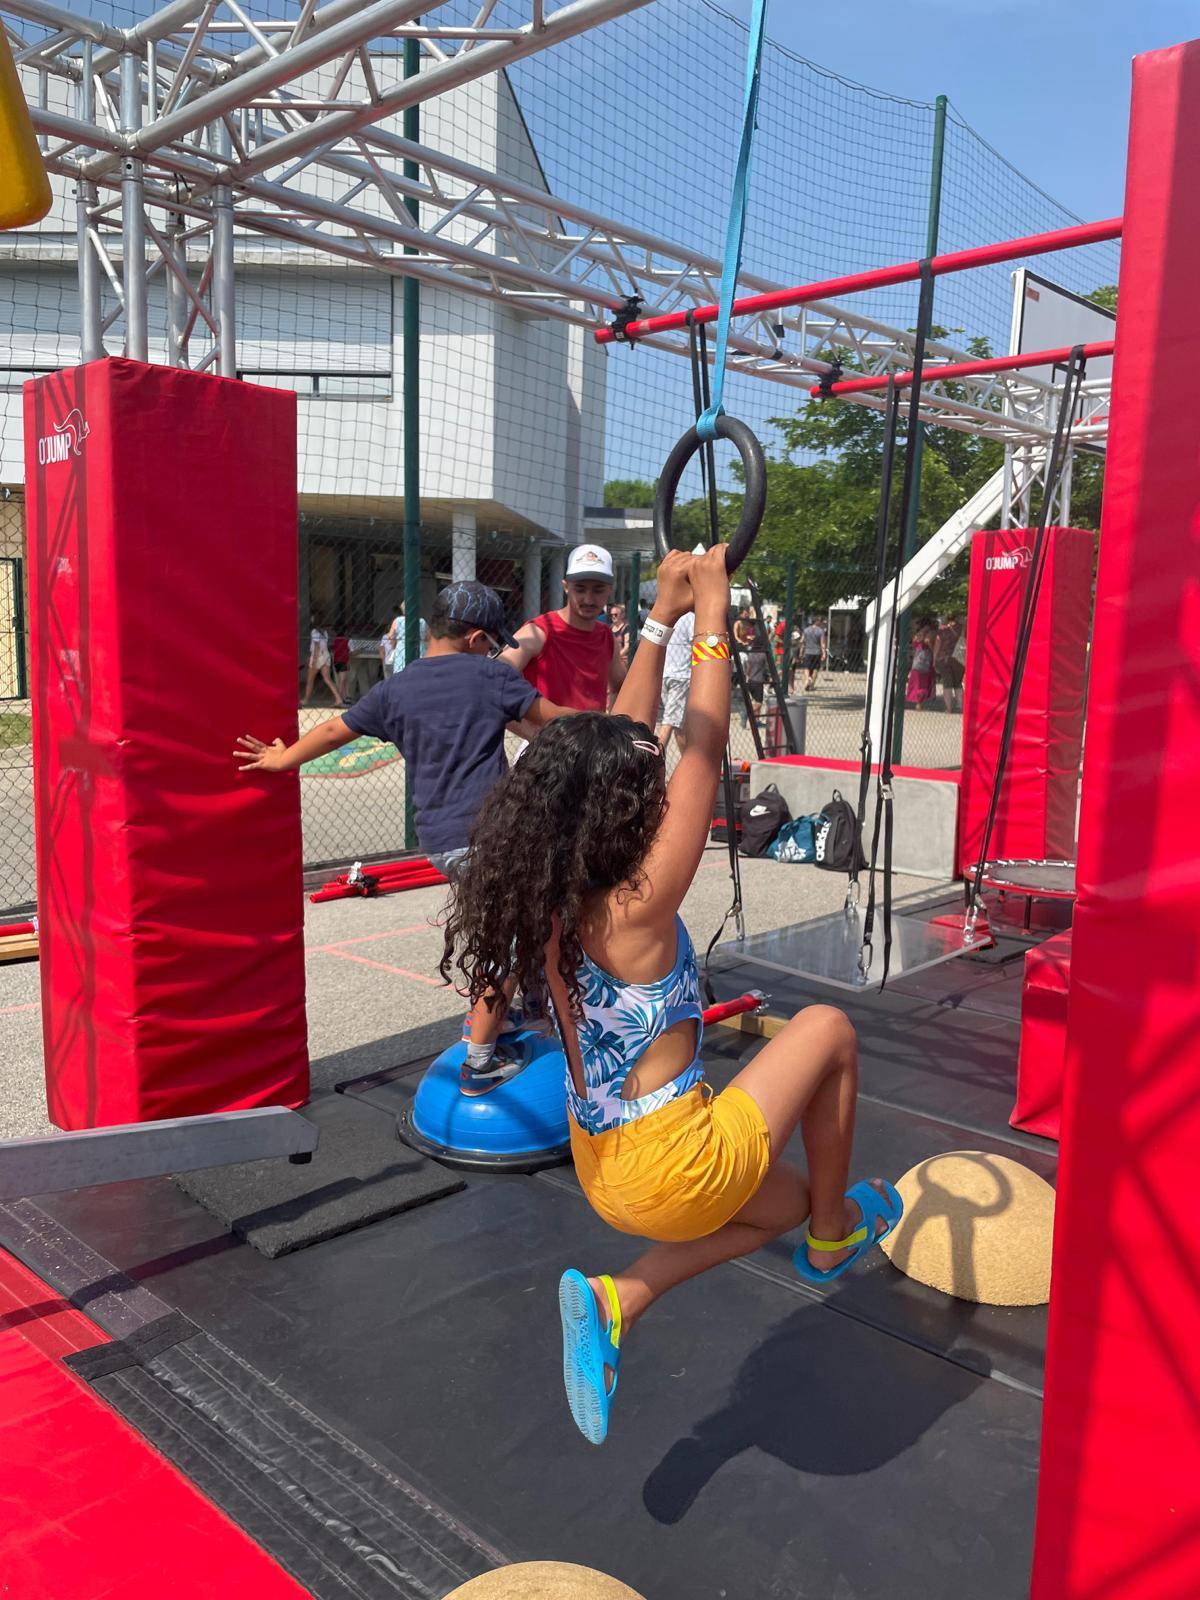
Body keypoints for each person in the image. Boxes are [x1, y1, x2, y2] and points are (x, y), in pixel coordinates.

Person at [441, 547, 902, 1446]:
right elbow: (701, 748)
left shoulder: (549, 896)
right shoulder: (640, 907)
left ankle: (621, 1301)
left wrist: (658, 616)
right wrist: (713, 619)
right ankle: (836, 1238)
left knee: (780, 1201)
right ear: (621, 814)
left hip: (604, 1168)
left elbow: (620, 743)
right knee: (828, 1027)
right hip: (670, 1168)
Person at [237, 581, 575, 1092]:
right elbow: (552, 721)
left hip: (441, 842)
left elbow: (334, 731)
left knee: (520, 917)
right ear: (477, 639)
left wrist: (283, 758)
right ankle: (480, 1062)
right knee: (507, 941)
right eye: (491, 644)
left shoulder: (398, 686)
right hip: (491, 837)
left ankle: (514, 1011)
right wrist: (614, 722)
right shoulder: (488, 677)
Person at [502, 544, 627, 721]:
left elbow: (621, 686)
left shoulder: (606, 636)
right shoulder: (539, 632)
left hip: (592, 743)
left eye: (598, 589)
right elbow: (492, 681)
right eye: (580, 589)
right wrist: (533, 733)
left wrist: (612, 727)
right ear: (566, 586)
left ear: (610, 590)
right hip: (547, 745)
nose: (589, 599)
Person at [654, 607, 694, 755]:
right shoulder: (690, 618)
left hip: (665, 674)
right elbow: (696, 644)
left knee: (679, 723)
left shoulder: (666, 613)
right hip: (680, 676)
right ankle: (652, 762)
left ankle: (686, 762)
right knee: (670, 721)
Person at [304, 621, 344, 708]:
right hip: (326, 655)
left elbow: (317, 646)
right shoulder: (324, 633)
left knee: (310, 680)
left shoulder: (314, 631)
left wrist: (314, 659)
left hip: (318, 655)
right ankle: (338, 699)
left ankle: (306, 700)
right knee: (327, 679)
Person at [934, 613, 965, 713]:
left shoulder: (942, 630)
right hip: (959, 659)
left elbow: (937, 645)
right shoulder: (962, 629)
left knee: (947, 684)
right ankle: (960, 706)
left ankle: (949, 708)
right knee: (958, 683)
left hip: (944, 659)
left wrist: (934, 659)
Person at [905, 619, 936, 708]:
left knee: (917, 683)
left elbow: (915, 642)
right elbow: (929, 643)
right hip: (926, 662)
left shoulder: (919, 635)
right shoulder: (931, 633)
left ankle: (919, 702)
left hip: (918, 662)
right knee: (923, 683)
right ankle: (920, 702)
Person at [800, 614, 827, 692]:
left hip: (807, 652)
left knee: (806, 668)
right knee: (815, 669)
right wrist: (824, 653)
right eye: (821, 621)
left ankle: (807, 681)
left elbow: (802, 641)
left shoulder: (806, 630)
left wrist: (801, 652)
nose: (822, 623)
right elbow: (823, 643)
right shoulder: (821, 631)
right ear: (817, 622)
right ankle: (811, 685)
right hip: (817, 652)